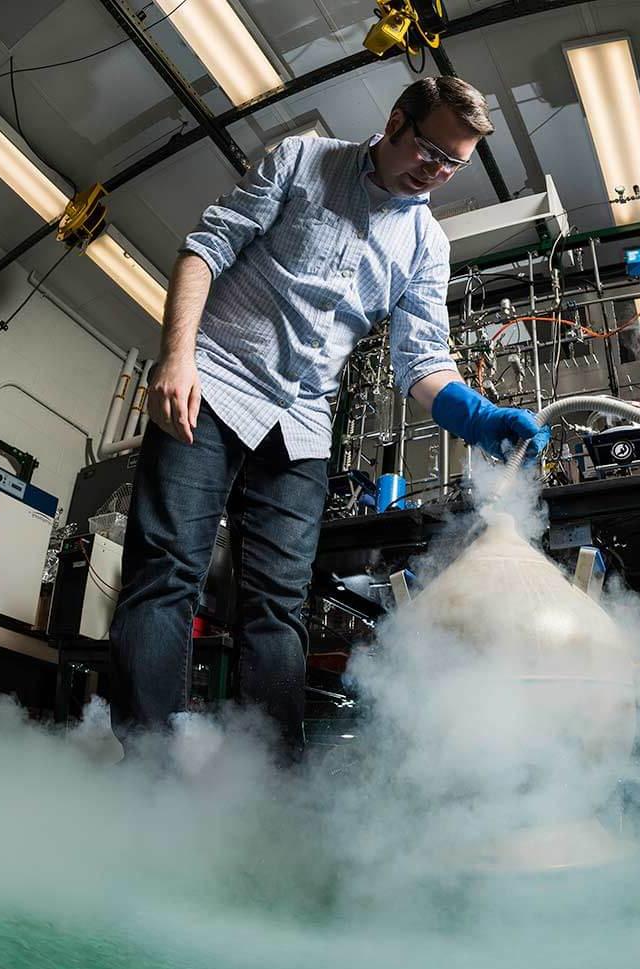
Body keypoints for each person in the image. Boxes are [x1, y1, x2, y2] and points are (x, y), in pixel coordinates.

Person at [109, 75, 550, 754]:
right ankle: (142, 770)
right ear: (397, 120)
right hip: (213, 383)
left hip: (301, 427)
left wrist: (480, 418)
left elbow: (422, 362)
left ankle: (268, 788)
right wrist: (177, 358)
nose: (434, 174)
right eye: (429, 152)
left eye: (451, 165)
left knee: (278, 610)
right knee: (166, 574)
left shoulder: (426, 244)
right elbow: (207, 248)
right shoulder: (301, 160)